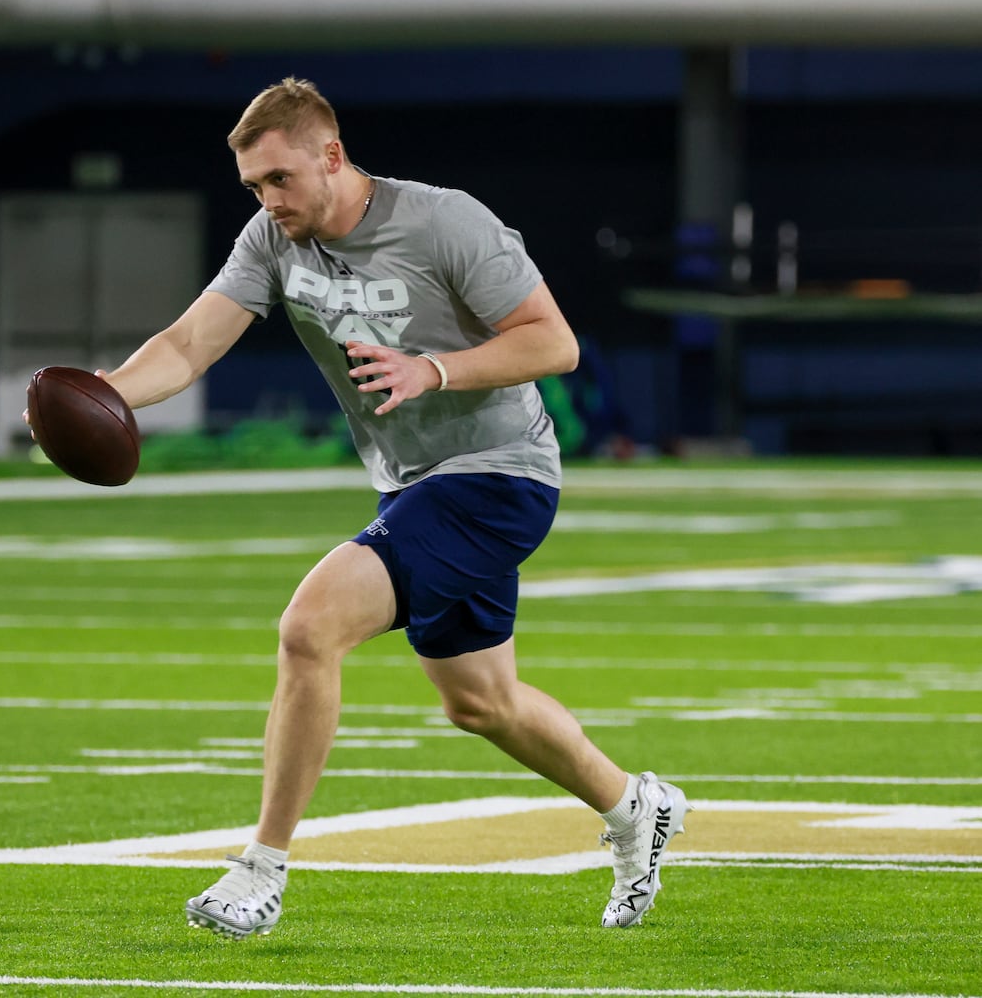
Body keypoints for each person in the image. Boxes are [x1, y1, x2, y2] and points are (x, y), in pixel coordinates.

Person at [40, 77, 688, 937]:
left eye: (280, 180)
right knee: (480, 702)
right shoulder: (273, 240)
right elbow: (191, 342)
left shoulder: (444, 220)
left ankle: (260, 871)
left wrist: (436, 368)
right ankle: (634, 807)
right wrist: (101, 398)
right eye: (253, 187)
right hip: (411, 481)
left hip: (498, 474)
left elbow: (553, 342)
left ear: (332, 157)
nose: (268, 202)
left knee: (310, 627)